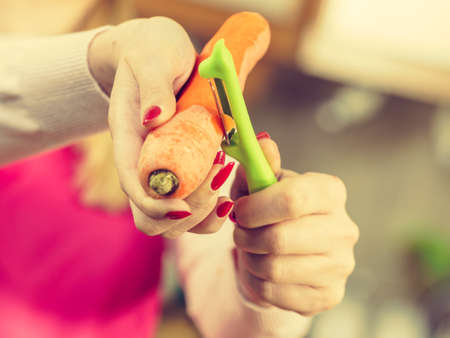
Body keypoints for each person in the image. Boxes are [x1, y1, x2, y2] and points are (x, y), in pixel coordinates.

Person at [0, 3, 359, 337]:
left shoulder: (164, 88)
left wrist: (274, 280)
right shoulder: (126, 59)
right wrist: (98, 66)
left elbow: (233, 321)